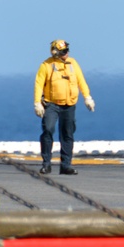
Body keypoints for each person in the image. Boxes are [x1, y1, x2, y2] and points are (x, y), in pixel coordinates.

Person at [33, 39, 95, 175]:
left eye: (66, 51)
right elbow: (38, 84)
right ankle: (46, 164)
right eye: (63, 51)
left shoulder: (73, 63)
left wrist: (87, 97)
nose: (66, 53)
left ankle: (66, 165)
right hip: (51, 105)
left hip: (70, 104)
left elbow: (81, 80)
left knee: (68, 134)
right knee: (48, 130)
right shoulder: (46, 65)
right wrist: (37, 102)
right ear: (55, 52)